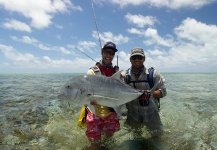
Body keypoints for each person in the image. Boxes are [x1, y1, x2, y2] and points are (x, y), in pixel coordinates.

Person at [121, 47, 167, 141]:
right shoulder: (124, 76)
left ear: (144, 59)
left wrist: (150, 93)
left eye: (139, 57)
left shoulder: (153, 74)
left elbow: (163, 92)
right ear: (130, 59)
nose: (137, 60)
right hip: (132, 114)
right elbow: (120, 94)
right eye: (134, 58)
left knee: (157, 138)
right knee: (135, 138)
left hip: (151, 114)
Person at [85, 42, 120, 149]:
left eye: (111, 53)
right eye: (106, 52)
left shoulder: (117, 72)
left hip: (111, 112)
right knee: (94, 144)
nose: (108, 55)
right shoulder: (92, 72)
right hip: (95, 112)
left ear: (114, 55)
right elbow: (87, 92)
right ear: (102, 52)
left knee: (109, 141)